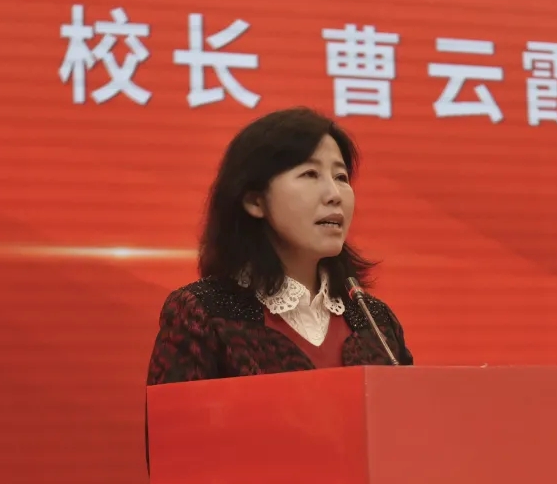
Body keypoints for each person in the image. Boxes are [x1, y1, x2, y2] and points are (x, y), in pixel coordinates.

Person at [146, 107, 413, 388]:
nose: (335, 195)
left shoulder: (375, 322)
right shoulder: (203, 313)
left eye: (341, 177)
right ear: (255, 201)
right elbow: (174, 418)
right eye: (310, 174)